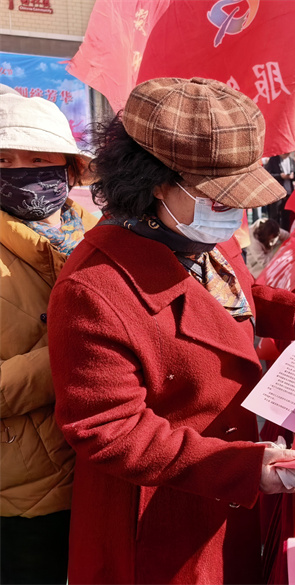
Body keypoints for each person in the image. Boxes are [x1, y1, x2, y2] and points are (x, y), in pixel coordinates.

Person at [46, 77, 295, 584]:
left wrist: (286, 311)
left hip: (226, 487)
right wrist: (237, 468)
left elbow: (226, 293)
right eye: (220, 200)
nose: (235, 216)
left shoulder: (196, 233)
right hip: (160, 516)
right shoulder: (93, 288)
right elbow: (109, 429)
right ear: (156, 183)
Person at [0, 91, 97, 585]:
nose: (20, 172)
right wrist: (73, 351)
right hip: (23, 498)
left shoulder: (103, 238)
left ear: (70, 169)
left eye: (37, 160)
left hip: (106, 476)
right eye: (4, 162)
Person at [263, 151, 295, 230]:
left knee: (286, 217)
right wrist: (280, 176)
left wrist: (292, 176)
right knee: (274, 216)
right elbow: (267, 175)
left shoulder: (292, 161)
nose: (286, 153)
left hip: (288, 193)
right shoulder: (273, 160)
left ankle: (285, 233)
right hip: (276, 193)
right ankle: (273, 233)